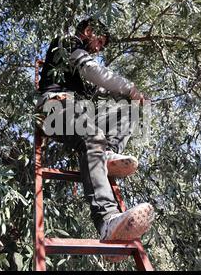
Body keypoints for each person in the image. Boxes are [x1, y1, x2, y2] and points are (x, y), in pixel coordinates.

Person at [36, 18, 154, 261]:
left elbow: (99, 89)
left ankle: (108, 153)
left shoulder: (78, 75)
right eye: (100, 42)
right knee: (92, 136)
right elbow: (94, 71)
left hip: (78, 109)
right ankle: (107, 221)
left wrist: (127, 96)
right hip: (54, 107)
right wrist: (130, 87)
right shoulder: (67, 42)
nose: (99, 48)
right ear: (89, 31)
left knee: (127, 108)